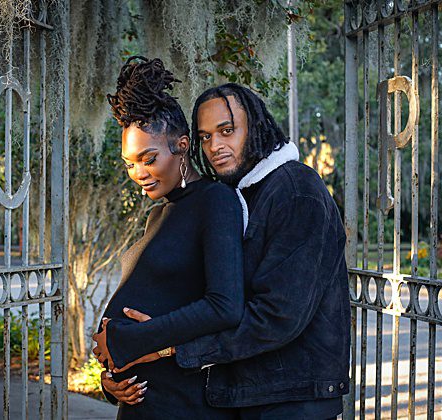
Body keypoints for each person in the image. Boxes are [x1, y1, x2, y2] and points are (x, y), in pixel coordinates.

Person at [98, 82, 351, 420]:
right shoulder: (241, 194)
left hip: (293, 399)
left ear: (255, 127)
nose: (215, 146)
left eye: (227, 131)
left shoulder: (295, 190)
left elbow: (278, 316)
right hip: (246, 395)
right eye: (205, 136)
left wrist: (170, 347)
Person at [90, 56, 245, 418]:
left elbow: (225, 305)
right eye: (130, 163)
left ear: (182, 145)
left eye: (148, 157)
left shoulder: (215, 201)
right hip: (142, 402)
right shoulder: (159, 213)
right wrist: (110, 379)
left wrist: (133, 340)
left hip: (183, 404)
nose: (139, 173)